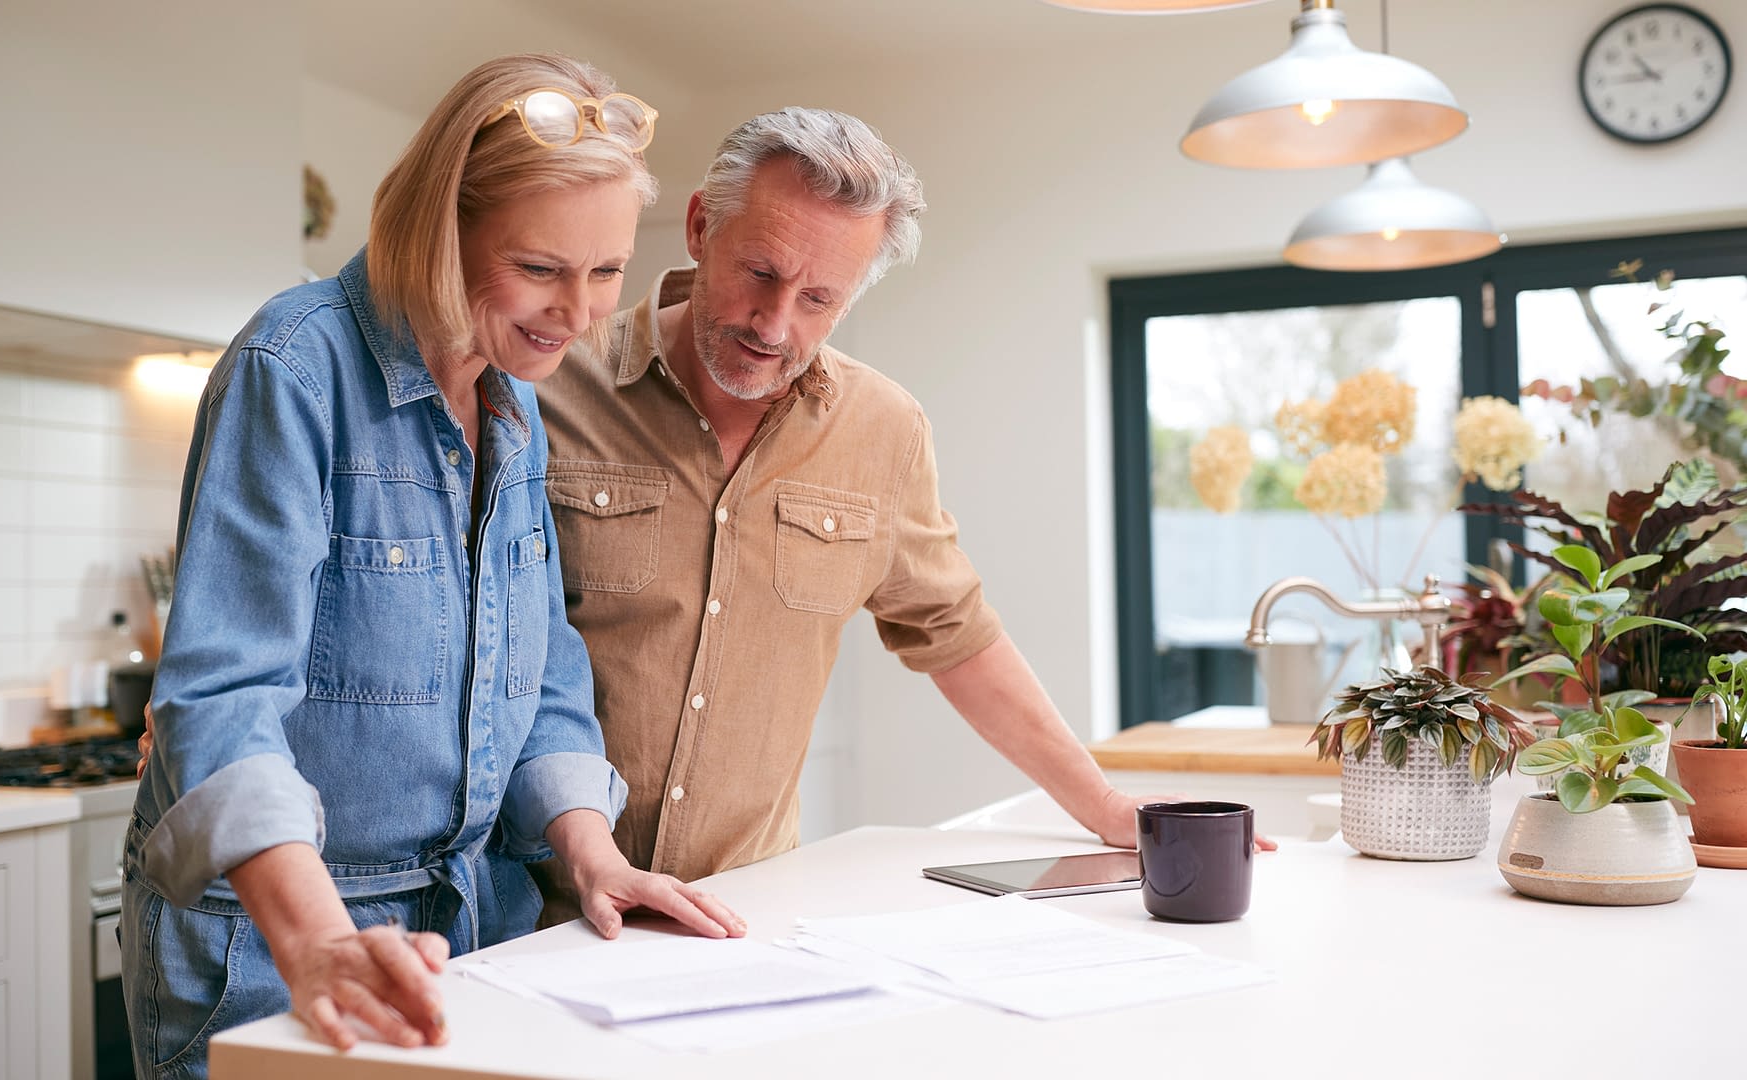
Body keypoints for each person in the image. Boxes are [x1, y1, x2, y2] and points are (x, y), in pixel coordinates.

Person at [122, 54, 743, 1079]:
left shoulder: (513, 404)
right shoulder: (293, 366)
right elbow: (222, 697)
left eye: (607, 273)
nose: (580, 312)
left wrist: (596, 856)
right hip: (279, 945)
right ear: (437, 228)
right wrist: (319, 941)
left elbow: (540, 682)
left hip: (470, 923)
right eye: (542, 269)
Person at [528, 107, 1274, 919]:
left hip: (739, 910)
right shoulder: (549, 384)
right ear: (702, 226)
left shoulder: (882, 431)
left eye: (819, 297)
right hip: (535, 905)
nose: (776, 325)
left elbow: (957, 637)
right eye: (760, 273)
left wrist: (1104, 807)